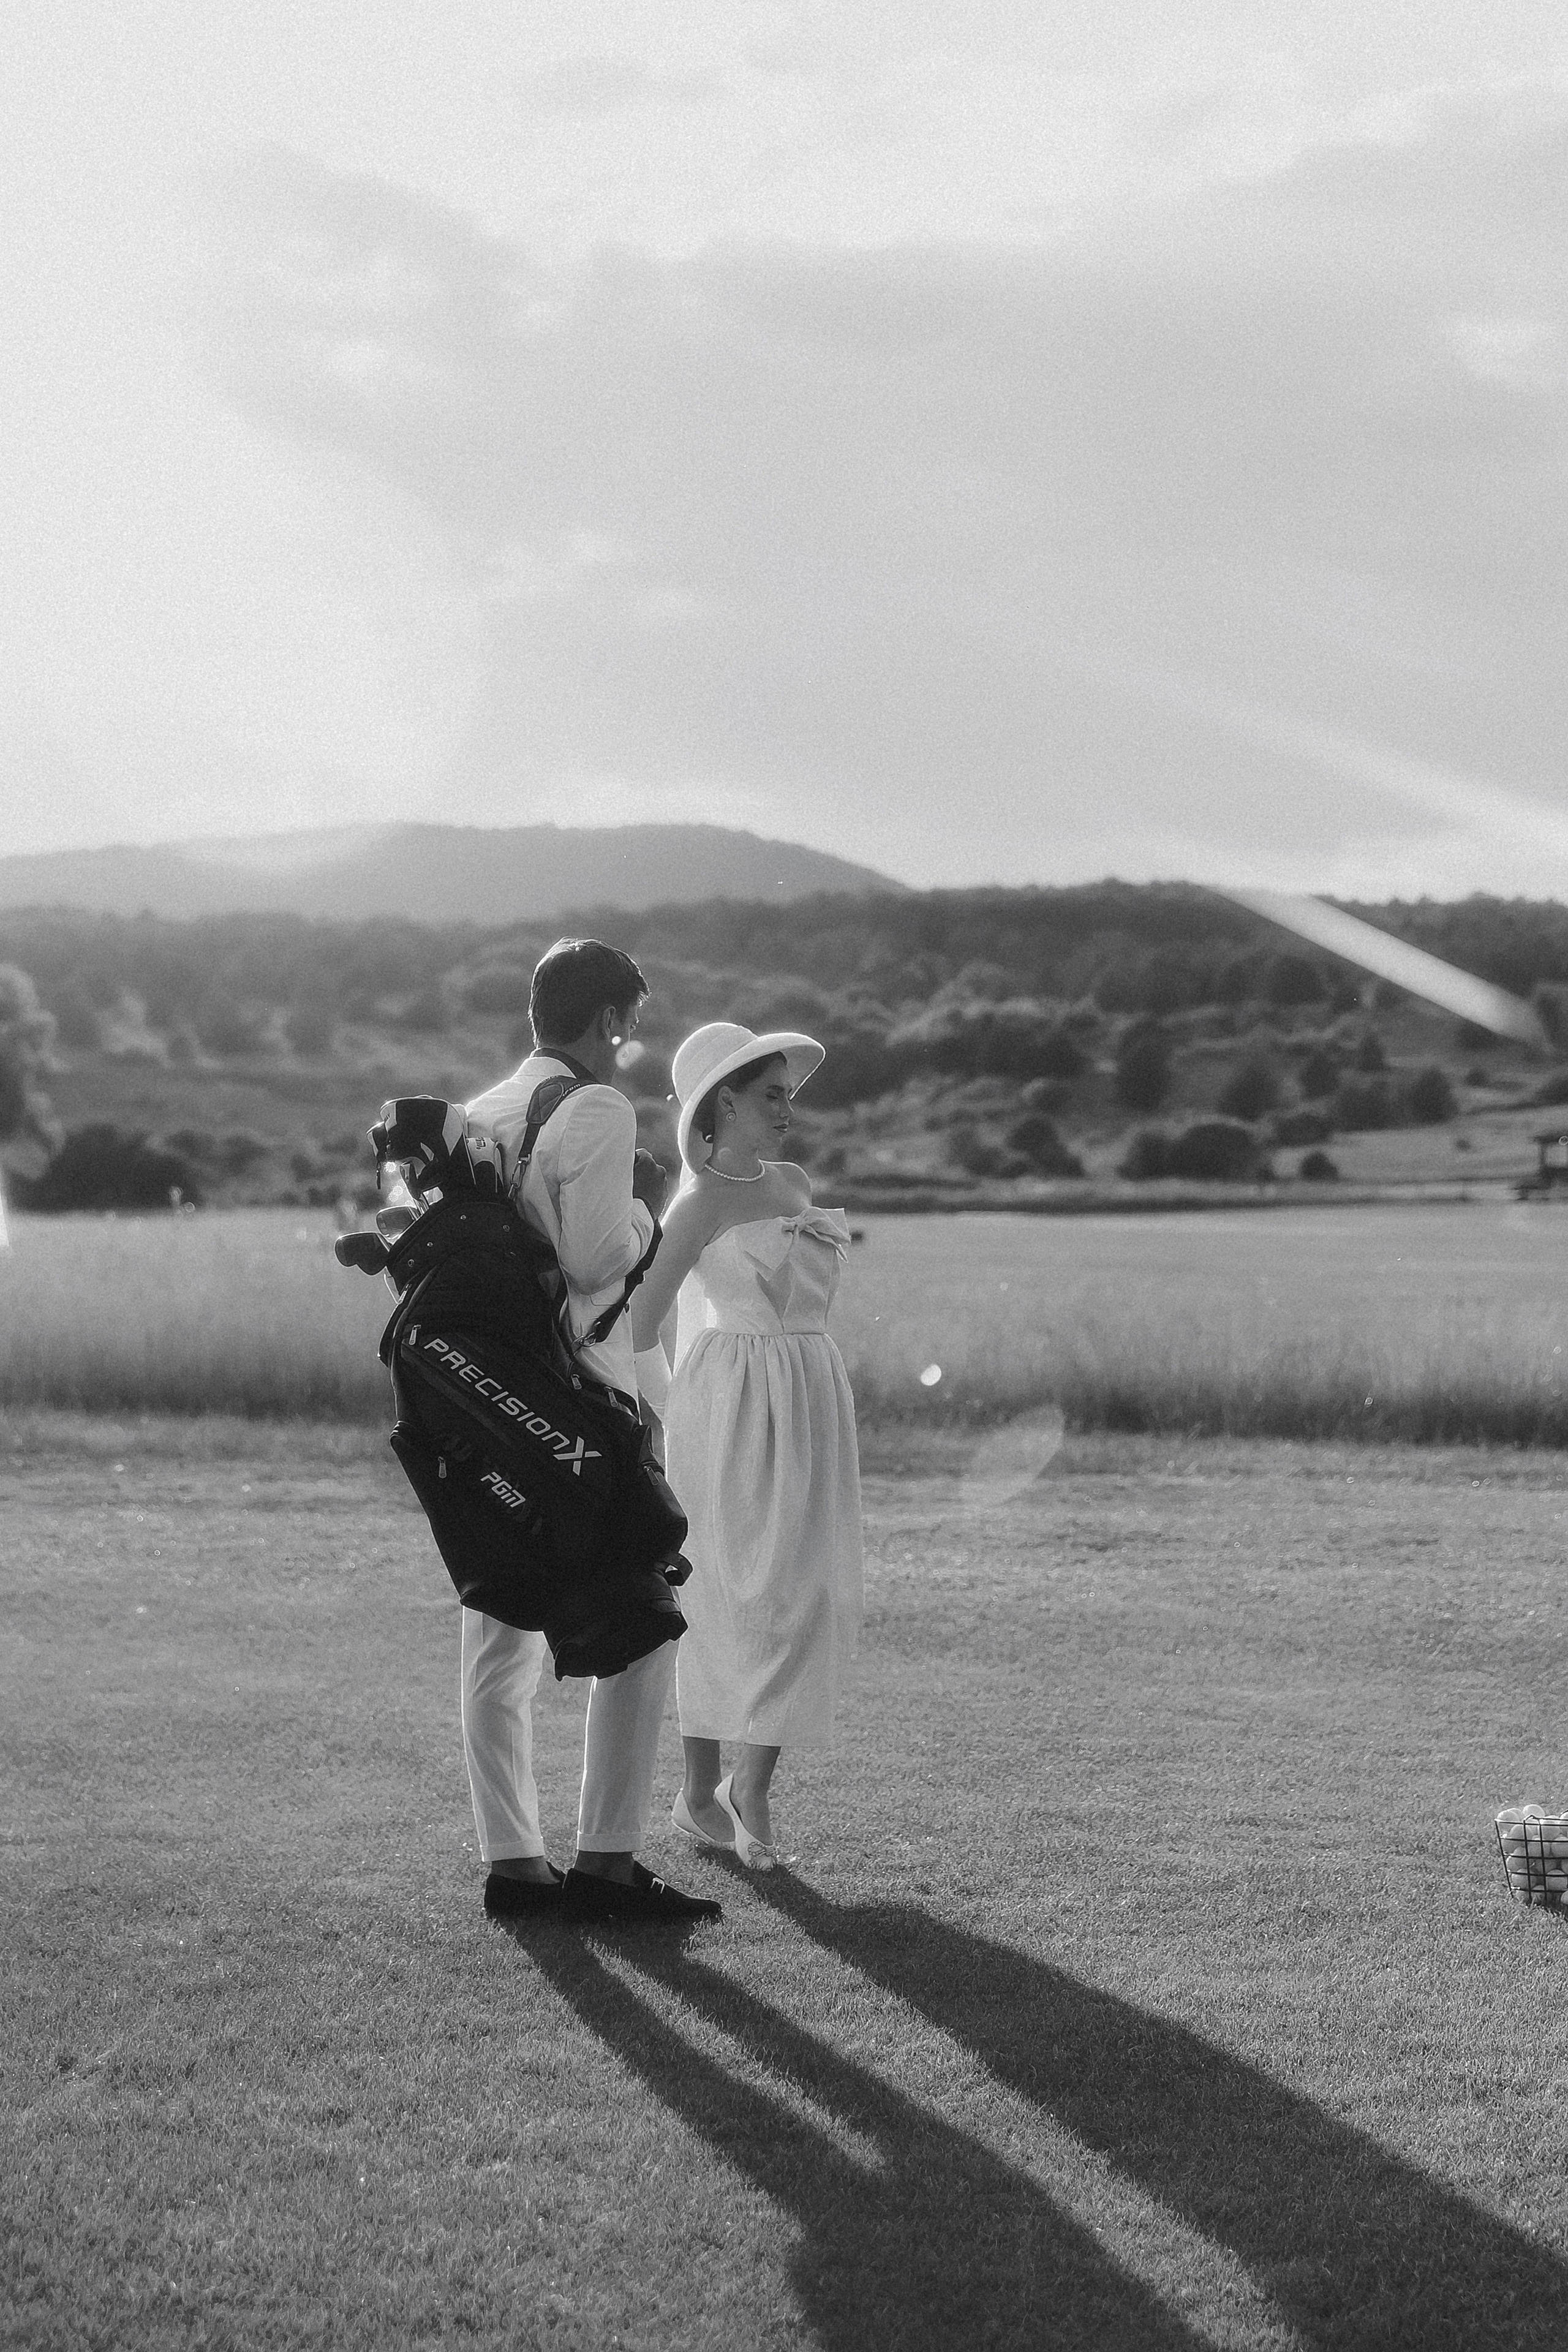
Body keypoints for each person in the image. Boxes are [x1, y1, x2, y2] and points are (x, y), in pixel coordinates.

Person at [459, 938, 721, 1927]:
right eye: (629, 1022)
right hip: (584, 1404)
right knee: (645, 1625)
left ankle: (513, 1866)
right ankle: (606, 1861)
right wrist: (652, 1220)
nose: (630, 1043)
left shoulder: (482, 1112)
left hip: (484, 1403)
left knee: (501, 1637)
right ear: (608, 1020)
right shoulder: (599, 1109)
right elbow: (592, 1259)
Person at [632, 1021, 864, 1867]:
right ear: (722, 1101)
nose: (787, 1114)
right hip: (725, 1403)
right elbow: (642, 1322)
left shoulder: (793, 1182)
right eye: (772, 1097)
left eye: (789, 1099)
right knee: (725, 1590)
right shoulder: (695, 1206)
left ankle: (749, 1784)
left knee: (809, 1591)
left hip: (809, 1393)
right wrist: (667, 1416)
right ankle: (701, 1793)